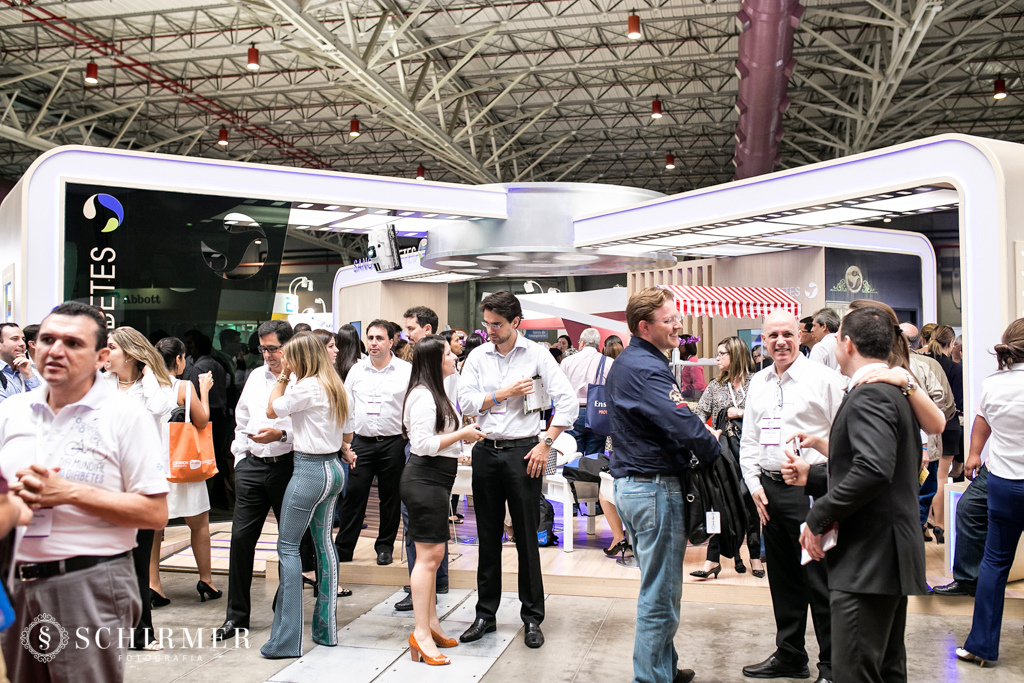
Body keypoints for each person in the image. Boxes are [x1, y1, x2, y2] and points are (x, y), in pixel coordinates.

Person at [0, 302, 168, 682]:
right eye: (47, 340)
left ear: (101, 357)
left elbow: (155, 513)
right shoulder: (12, 411)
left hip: (88, 581)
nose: (55, 351)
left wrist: (69, 493)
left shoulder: (126, 415)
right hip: (15, 583)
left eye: (73, 343)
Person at [792, 306, 928, 683]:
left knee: (856, 671)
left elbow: (873, 470)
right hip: (882, 558)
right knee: (885, 669)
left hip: (870, 559)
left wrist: (818, 515)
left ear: (848, 344)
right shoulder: (891, 390)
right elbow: (872, 467)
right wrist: (813, 477)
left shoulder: (872, 395)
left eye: (837, 338)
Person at [605, 287, 722, 683]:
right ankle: (651, 678)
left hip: (637, 487)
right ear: (644, 326)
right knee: (661, 596)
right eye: (669, 320)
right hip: (653, 489)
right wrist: (712, 445)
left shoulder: (633, 362)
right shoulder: (645, 368)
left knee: (658, 585)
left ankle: (663, 668)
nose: (678, 326)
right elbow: (682, 423)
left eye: (677, 318)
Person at [458, 291, 578, 649]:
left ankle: (532, 617)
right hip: (485, 450)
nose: (490, 331)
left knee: (527, 537)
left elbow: (568, 402)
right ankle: (485, 614)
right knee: (487, 536)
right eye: (487, 324)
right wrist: (503, 393)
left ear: (515, 322)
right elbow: (465, 401)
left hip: (524, 452)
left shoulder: (537, 355)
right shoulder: (478, 356)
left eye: (497, 324)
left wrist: (546, 442)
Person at [739, 309, 845, 683]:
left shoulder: (825, 379)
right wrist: (754, 487)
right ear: (764, 340)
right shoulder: (759, 382)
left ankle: (832, 666)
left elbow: (845, 440)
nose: (780, 341)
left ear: (800, 336)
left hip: (810, 492)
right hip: (769, 492)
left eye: (787, 334)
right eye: (773, 336)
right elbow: (749, 440)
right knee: (783, 578)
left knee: (820, 579)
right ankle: (790, 654)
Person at [260, 331, 353, 658]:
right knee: (324, 544)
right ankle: (325, 630)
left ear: (300, 358)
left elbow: (271, 409)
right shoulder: (336, 385)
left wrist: (283, 376)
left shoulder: (305, 386)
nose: (283, 360)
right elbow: (346, 434)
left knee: (288, 547)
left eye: (288, 355)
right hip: (334, 470)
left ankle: (286, 641)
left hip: (309, 472)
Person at [401, 335, 487, 666]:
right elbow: (422, 444)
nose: (454, 357)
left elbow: (438, 439)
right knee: (429, 557)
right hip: (424, 480)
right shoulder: (424, 396)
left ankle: (432, 625)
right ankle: (421, 633)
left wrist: (459, 446)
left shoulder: (436, 392)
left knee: (434, 556)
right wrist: (463, 435)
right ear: (434, 361)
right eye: (449, 353)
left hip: (435, 479)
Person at [215, 320, 296, 642]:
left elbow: (313, 427)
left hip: (287, 465)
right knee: (240, 540)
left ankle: (284, 611)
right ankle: (236, 616)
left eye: (273, 348)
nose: (267, 355)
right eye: (262, 349)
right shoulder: (255, 376)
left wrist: (282, 435)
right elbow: (242, 419)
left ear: (288, 346)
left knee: (290, 543)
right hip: (252, 466)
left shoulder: (302, 379)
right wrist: (240, 458)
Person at [103, 326, 178, 651]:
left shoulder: (155, 386)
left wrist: (148, 375)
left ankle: (142, 632)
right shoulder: (100, 385)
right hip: (105, 482)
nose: (105, 353)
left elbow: (160, 409)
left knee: (137, 561)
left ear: (132, 353)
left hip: (140, 483)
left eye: (112, 347)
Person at [955, 318, 1024, 666]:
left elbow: (981, 421)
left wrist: (974, 454)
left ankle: (981, 646)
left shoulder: (993, 384)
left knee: (995, 563)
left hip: (1004, 482)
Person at [149, 337, 219, 609]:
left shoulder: (146, 388)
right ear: (178, 359)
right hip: (183, 464)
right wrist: (204, 391)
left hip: (154, 465)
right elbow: (202, 421)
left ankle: (154, 584)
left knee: (154, 527)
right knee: (199, 524)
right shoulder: (182, 387)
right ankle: (206, 580)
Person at [335, 320, 411, 567]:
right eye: (370, 338)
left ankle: (385, 547)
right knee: (354, 495)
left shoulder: (406, 371)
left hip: (394, 442)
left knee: (390, 498)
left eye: (379, 338)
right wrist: (345, 443)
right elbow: (346, 406)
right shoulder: (357, 370)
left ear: (391, 341)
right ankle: (344, 548)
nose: (374, 343)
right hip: (362, 443)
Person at [693, 336, 763, 578]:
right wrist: (708, 431)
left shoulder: (756, 383)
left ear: (736, 355)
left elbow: (767, 414)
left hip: (751, 453)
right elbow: (698, 414)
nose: (717, 358)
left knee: (751, 504)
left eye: (722, 353)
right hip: (723, 456)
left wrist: (740, 412)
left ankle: (754, 555)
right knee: (720, 504)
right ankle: (712, 559)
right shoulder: (715, 386)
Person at [186, 332, 233, 509]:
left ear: (197, 348)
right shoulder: (217, 365)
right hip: (219, 413)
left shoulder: (198, 368)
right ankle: (219, 493)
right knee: (217, 455)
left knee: (204, 454)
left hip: (206, 412)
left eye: (191, 345)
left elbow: (192, 394)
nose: (189, 349)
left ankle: (210, 494)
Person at [561, 328, 613, 457]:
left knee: (572, 455)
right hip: (598, 412)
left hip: (573, 412)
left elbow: (560, 389)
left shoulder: (567, 362)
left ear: (582, 342)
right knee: (594, 458)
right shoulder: (608, 362)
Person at [927, 325, 965, 494]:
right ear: (951, 342)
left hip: (925, 424)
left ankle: (925, 510)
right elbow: (959, 402)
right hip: (948, 425)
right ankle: (939, 513)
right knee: (941, 477)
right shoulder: (955, 368)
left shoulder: (922, 363)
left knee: (924, 476)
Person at [0, 323, 40, 403]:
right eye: (15, 339)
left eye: (23, 339)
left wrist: (28, 375)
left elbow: (44, 403)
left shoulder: (24, 371)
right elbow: (4, 408)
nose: (22, 344)